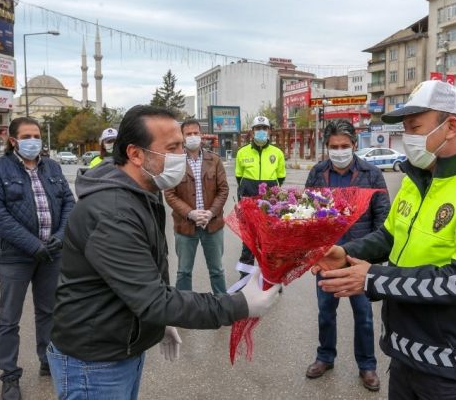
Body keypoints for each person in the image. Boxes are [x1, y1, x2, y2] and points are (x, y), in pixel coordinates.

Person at [47, 105, 281, 399]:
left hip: (120, 345)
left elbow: (143, 278)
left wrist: (157, 322)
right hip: (94, 362)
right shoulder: (113, 212)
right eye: (172, 148)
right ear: (135, 154)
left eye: (183, 145)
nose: (182, 155)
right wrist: (239, 305)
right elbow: (153, 299)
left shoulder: (142, 191)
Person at [314, 80, 456, 399]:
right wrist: (345, 252)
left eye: (415, 127)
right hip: (404, 357)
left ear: (451, 126)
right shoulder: (417, 180)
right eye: (405, 130)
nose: (407, 138)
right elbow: (390, 235)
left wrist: (373, 278)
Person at [0, 117, 75, 400]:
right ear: (13, 140)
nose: (33, 140)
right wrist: (33, 245)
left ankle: (48, 361)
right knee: (9, 317)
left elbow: (69, 203)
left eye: (36, 135)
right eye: (27, 136)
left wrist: (60, 235)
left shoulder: (53, 167)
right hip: (15, 258)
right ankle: (10, 376)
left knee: (49, 311)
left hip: (52, 254)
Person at [304, 119, 389, 392]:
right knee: (325, 313)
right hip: (326, 258)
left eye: (344, 146)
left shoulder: (371, 174)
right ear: (326, 147)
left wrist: (371, 258)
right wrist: (311, 252)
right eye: (333, 146)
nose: (339, 151)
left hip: (357, 260)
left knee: (363, 316)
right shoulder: (318, 173)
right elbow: (305, 214)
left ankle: (367, 365)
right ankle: (325, 357)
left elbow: (383, 218)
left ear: (354, 145)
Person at [164, 118, 229, 294]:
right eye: (188, 134)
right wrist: (190, 213)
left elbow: (223, 190)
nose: (193, 137)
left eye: (196, 133)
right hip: (185, 226)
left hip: (212, 225)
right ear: (182, 137)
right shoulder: (174, 161)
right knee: (184, 272)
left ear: (201, 135)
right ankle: (184, 310)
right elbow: (169, 193)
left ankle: (222, 305)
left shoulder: (214, 160)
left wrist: (211, 212)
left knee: (217, 270)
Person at [235, 116, 285, 275]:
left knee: (269, 245)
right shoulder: (242, 152)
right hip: (248, 206)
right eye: (258, 128)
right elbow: (239, 177)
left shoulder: (277, 153)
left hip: (269, 208)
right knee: (248, 245)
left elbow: (281, 177)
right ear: (252, 131)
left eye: (264, 128)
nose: (261, 131)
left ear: (269, 131)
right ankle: (244, 281)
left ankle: (270, 281)